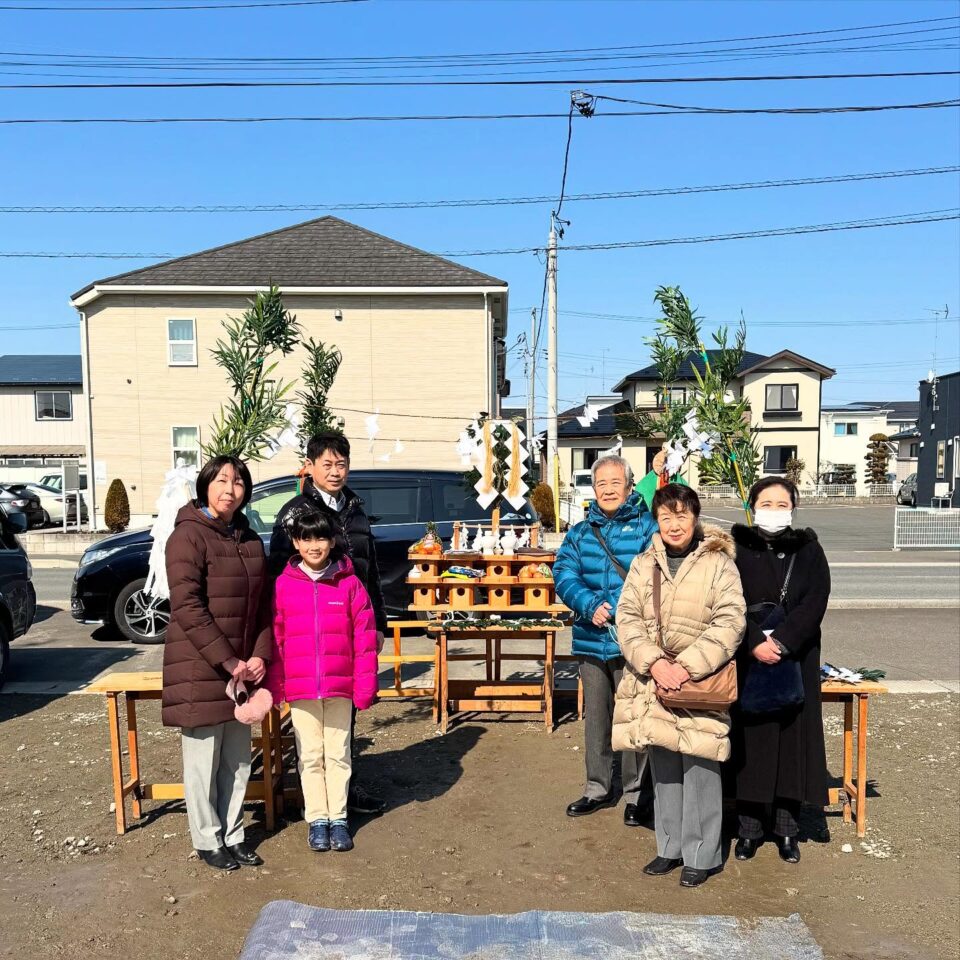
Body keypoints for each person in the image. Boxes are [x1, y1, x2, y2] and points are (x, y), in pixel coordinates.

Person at [613, 484, 745, 887]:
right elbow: (627, 618)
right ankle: (668, 846)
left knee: (701, 762)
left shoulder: (719, 563)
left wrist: (685, 667)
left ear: (696, 517)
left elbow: (731, 621)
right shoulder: (644, 563)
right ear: (657, 520)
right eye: (666, 516)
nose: (674, 525)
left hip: (700, 679)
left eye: (682, 515)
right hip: (654, 678)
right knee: (665, 762)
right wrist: (654, 663)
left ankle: (701, 854)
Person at [162, 455, 272, 872]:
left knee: (238, 761)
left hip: (242, 670)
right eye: (222, 480)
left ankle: (235, 834)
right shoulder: (187, 536)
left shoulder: (249, 538)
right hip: (202, 667)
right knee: (202, 762)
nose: (230, 489)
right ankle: (208, 839)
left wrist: (259, 655)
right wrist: (226, 659)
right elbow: (186, 605)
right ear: (205, 485)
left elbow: (263, 605)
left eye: (239, 482)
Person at [270, 432, 388, 815]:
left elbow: (370, 571)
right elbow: (279, 576)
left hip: (351, 625)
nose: (335, 471)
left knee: (343, 717)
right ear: (310, 466)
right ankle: (315, 802)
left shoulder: (355, 508)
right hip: (309, 633)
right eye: (327, 464)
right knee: (310, 727)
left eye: (341, 464)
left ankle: (345, 793)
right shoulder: (294, 513)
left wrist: (379, 622)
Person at [730, 477, 830, 865]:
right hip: (748, 655)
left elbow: (816, 599)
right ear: (753, 506)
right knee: (751, 742)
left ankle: (788, 829)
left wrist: (784, 641)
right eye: (766, 504)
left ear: (793, 508)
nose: (774, 510)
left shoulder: (809, 549)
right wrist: (754, 640)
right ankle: (749, 828)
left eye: (782, 504)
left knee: (793, 741)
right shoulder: (734, 549)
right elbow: (724, 600)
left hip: (796, 656)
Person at [554, 454, 657, 827]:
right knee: (596, 719)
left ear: (629, 486)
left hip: (633, 641)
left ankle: (636, 794)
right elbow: (563, 572)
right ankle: (596, 788)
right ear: (593, 489)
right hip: (590, 638)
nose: (608, 490)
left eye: (616, 482)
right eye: (601, 484)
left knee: (633, 717)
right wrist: (589, 604)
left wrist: (621, 609)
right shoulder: (580, 532)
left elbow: (656, 575)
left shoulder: (647, 527)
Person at [266, 513, 379, 853]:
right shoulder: (284, 585)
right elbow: (276, 639)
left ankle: (339, 818)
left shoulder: (350, 584)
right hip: (301, 688)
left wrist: (365, 685)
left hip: (340, 687)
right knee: (311, 755)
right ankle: (317, 818)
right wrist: (277, 684)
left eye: (320, 538)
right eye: (306, 539)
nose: (314, 546)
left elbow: (365, 640)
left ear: (332, 542)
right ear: (296, 543)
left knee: (339, 753)